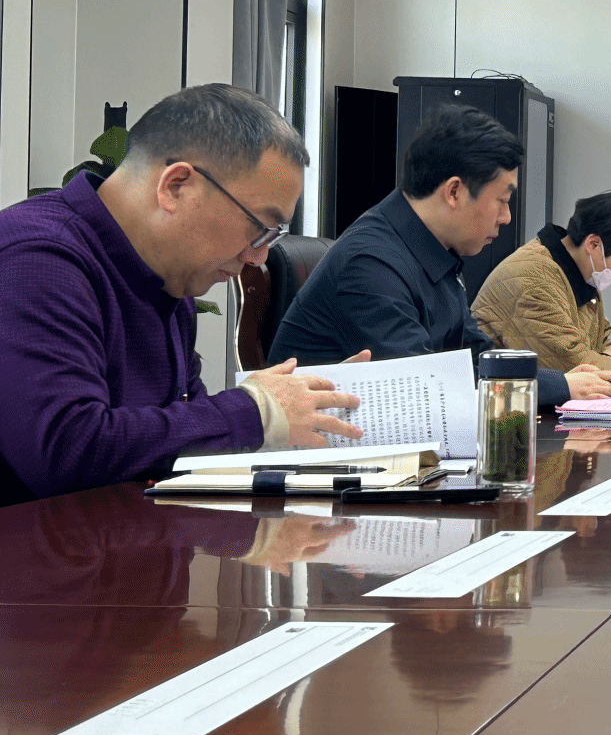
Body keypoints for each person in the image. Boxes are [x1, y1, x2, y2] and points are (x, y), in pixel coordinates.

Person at [0, 84, 363, 505]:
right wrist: (255, 412)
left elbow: (178, 445)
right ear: (176, 186)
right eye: (258, 228)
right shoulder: (37, 259)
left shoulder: (169, 280)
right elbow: (65, 451)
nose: (259, 257)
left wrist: (300, 412)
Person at [270, 108, 611, 408]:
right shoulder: (370, 264)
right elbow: (422, 384)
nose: (506, 217)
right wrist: (560, 387)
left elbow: (475, 357)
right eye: (502, 200)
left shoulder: (434, 252)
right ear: (455, 192)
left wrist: (562, 382)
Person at [474, 191, 611, 373]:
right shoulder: (534, 279)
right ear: (593, 244)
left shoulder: (581, 276)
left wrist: (610, 356)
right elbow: (571, 365)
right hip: (493, 389)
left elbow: (601, 343)